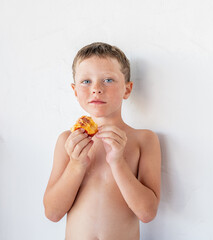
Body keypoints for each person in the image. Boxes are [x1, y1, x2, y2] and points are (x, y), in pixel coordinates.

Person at [43, 42, 161, 240]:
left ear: (127, 89)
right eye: (86, 81)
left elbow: (147, 213)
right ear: (74, 90)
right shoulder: (67, 141)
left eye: (108, 79)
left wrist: (118, 162)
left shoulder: (144, 140)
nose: (96, 89)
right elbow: (52, 213)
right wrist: (76, 164)